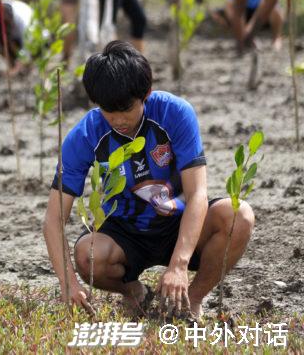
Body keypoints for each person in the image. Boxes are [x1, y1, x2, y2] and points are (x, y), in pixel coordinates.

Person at [42, 41, 254, 319]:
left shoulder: (175, 113)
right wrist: (67, 281)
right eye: (108, 110)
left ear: (146, 95)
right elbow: (53, 219)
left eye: (126, 109)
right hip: (125, 230)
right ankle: (134, 292)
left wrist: (178, 265)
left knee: (239, 215)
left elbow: (198, 194)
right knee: (88, 254)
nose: (118, 119)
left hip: (179, 222)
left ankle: (192, 299)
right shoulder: (85, 135)